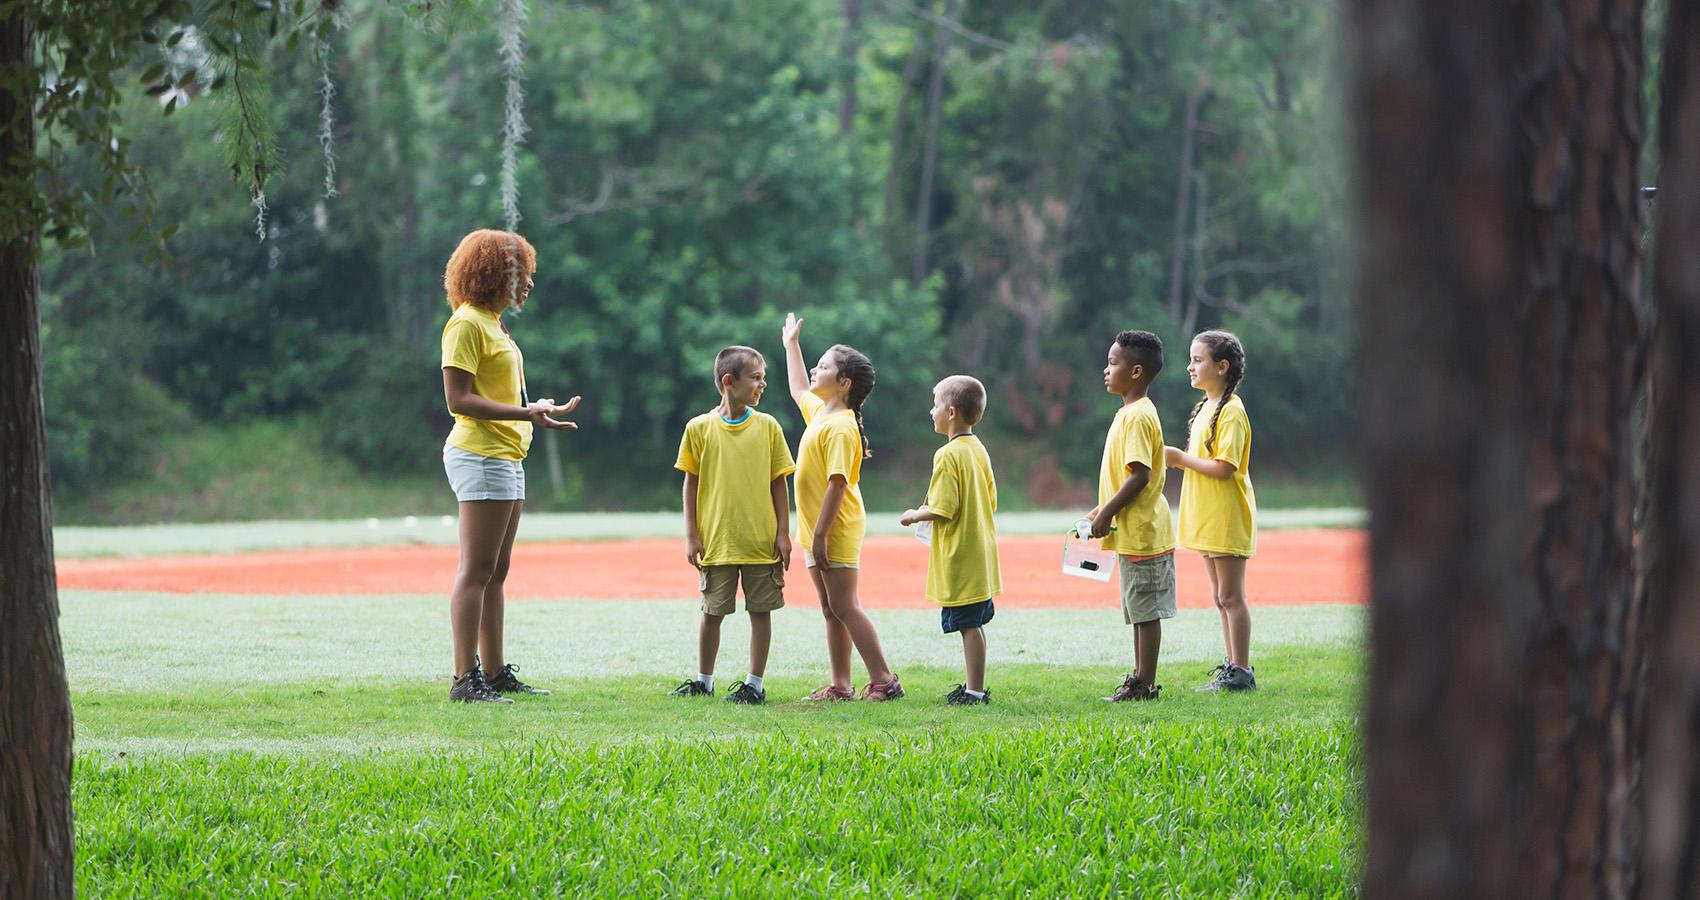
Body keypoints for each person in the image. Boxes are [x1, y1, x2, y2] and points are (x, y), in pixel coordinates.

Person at [439, 229, 580, 704]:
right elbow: (458, 399)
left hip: (506, 452)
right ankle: (465, 679)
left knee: (496, 571)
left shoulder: (494, 323)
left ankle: (495, 674)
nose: (529, 284)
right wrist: (526, 413)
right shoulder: (466, 324)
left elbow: (499, 394)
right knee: (476, 570)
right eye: (520, 274)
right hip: (480, 453)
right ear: (491, 274)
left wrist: (534, 410)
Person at [782, 312, 903, 701]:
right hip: (818, 529)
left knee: (845, 606)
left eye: (824, 365)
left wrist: (819, 535)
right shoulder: (822, 413)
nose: (816, 369)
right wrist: (792, 346)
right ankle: (841, 686)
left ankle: (885, 680)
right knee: (830, 609)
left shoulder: (841, 426)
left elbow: (837, 484)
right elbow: (799, 387)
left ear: (844, 383)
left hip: (834, 528)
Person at [669, 346, 797, 705]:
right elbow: (690, 483)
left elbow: (778, 482)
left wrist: (783, 532)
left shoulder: (769, 427)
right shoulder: (699, 428)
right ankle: (703, 680)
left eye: (763, 377)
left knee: (761, 611)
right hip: (717, 541)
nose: (763, 384)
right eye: (756, 378)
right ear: (730, 382)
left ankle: (754, 684)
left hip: (761, 541)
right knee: (712, 612)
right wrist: (692, 535)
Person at [899, 375, 1002, 705]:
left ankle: (974, 692)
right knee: (974, 622)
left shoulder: (947, 455)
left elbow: (944, 508)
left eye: (936, 405)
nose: (932, 411)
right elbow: (991, 500)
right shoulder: (979, 449)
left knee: (967, 624)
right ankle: (976, 685)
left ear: (952, 412)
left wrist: (915, 514)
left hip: (961, 555)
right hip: (980, 550)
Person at [1086, 330, 1176, 703]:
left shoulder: (1138, 416)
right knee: (1138, 608)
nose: (1106, 370)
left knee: (1146, 610)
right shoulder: (1129, 412)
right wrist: (1101, 507)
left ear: (1136, 371)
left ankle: (1145, 683)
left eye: (1113, 363)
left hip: (1144, 531)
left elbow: (1140, 475)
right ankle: (1140, 678)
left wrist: (1109, 510)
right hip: (1133, 531)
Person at [1166, 330, 1258, 692]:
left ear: (1222, 367)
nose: (1190, 366)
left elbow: (1225, 467)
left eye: (1198, 360)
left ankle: (1242, 670)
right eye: (1191, 359)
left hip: (1226, 515)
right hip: (1208, 515)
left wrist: (1179, 458)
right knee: (1220, 597)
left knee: (1232, 596)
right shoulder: (1206, 406)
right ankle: (1233, 667)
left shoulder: (1232, 412)